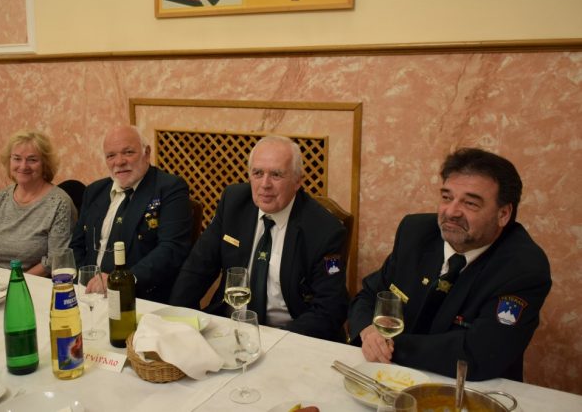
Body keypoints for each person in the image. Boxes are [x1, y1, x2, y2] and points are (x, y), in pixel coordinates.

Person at [348, 148, 551, 381]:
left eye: (470, 203)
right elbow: (368, 296)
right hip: (391, 375)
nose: (451, 212)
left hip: (467, 387)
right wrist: (368, 330)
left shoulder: (522, 268)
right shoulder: (415, 232)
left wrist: (389, 344)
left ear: (503, 214)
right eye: (446, 197)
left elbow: (479, 354)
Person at [170, 135, 349, 341]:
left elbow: (330, 308)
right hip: (229, 328)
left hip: (289, 336)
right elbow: (197, 268)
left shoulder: (325, 230)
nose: (265, 184)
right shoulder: (233, 202)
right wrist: (178, 320)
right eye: (257, 173)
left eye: (276, 175)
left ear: (298, 180)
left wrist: (273, 340)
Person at [70, 125, 192, 303]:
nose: (119, 162)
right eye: (111, 155)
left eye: (128, 152)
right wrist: (85, 282)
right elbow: (76, 246)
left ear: (146, 153)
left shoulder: (170, 188)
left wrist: (121, 282)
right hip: (90, 295)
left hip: (138, 297)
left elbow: (172, 249)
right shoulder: (94, 191)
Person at [0, 130, 76, 276]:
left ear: (45, 164)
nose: (23, 166)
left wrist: (15, 283)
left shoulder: (59, 203)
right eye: (17, 158)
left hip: (34, 283)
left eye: (32, 160)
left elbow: (55, 260)